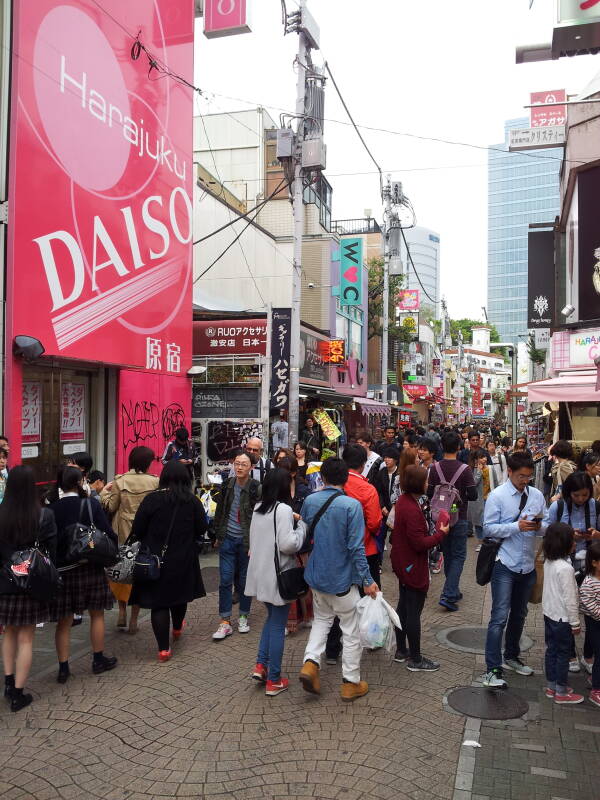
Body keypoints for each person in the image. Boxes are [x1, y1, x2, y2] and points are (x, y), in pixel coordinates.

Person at [298, 457, 379, 702]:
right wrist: (368, 579)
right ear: (345, 478)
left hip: (316, 575)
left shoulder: (310, 501)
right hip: (342, 580)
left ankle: (311, 663)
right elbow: (356, 548)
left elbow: (303, 533)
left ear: (322, 477)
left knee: (322, 621)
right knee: (351, 631)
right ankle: (350, 682)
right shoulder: (351, 506)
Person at [482, 451, 549, 688]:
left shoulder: (537, 495)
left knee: (519, 615)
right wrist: (516, 527)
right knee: (499, 617)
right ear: (509, 471)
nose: (525, 481)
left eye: (529, 476)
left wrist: (539, 526)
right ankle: (491, 669)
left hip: (527, 564)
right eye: (521, 476)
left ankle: (511, 656)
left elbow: (546, 525)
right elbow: (488, 529)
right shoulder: (497, 496)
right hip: (505, 563)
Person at [129, 461, 207, 662]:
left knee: (159, 604)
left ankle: (163, 649)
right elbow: (201, 528)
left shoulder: (151, 500)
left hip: (155, 560)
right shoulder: (192, 501)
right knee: (179, 597)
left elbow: (137, 529)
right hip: (183, 558)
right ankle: (178, 628)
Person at [49, 466, 118, 683]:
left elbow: (48, 541)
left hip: (63, 570)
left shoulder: (52, 509)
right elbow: (107, 533)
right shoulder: (90, 504)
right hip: (90, 567)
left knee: (64, 621)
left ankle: (63, 668)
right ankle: (98, 660)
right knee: (97, 614)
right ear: (80, 482)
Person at [245, 469, 306, 696]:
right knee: (278, 624)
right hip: (277, 575)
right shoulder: (284, 509)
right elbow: (288, 544)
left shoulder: (258, 508)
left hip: (260, 573)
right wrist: (301, 529)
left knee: (271, 620)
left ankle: (261, 665)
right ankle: (274, 679)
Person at [0, 466, 57, 712]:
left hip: (5, 582)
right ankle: (18, 695)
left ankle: (8, 682)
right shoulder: (43, 515)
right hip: (32, 583)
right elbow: (51, 553)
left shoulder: (1, 514)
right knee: (26, 639)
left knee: (8, 633)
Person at [324, 446, 383, 665]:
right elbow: (375, 522)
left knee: (338, 599)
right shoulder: (367, 489)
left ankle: (331, 650)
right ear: (363, 464)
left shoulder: (330, 487)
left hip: (337, 552)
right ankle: (372, 638)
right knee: (369, 597)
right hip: (365, 550)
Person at [391, 465, 449, 671]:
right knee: (413, 611)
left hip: (402, 563)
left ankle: (401, 650)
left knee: (404, 607)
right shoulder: (411, 508)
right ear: (418, 483)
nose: (428, 484)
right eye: (425, 481)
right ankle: (415, 658)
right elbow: (419, 543)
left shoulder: (405, 502)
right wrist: (441, 533)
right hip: (411, 566)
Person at [100, 446, 160, 634]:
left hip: (123, 533)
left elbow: (111, 506)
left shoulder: (121, 480)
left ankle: (122, 612)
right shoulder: (154, 482)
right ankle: (134, 619)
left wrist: (103, 492)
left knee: (122, 572)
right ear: (148, 462)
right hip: (146, 535)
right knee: (140, 573)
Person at [548, 471, 600, 674]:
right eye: (576, 495)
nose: (580, 499)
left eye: (584, 495)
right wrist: (569, 537)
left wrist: (596, 535)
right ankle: (570, 654)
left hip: (590, 566)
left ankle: (589, 655)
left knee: (592, 613)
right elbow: (548, 533)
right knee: (565, 611)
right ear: (568, 493)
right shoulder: (558, 506)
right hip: (564, 565)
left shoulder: (595, 506)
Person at [212, 450, 260, 640]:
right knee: (225, 581)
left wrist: (256, 543)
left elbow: (260, 516)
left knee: (244, 582)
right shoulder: (227, 485)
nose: (239, 467)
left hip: (247, 543)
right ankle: (224, 621)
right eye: (237, 463)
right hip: (228, 540)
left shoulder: (257, 488)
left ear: (251, 467)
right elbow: (220, 512)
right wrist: (218, 535)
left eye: (243, 464)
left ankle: (243, 616)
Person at [427, 431, 477, 612]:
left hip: (440, 517)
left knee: (448, 554)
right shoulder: (465, 469)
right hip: (459, 516)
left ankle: (453, 590)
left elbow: (429, 492)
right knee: (458, 556)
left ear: (441, 446)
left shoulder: (435, 468)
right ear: (458, 447)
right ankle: (448, 594)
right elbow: (473, 494)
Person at [542, 522, 584, 704]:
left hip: (549, 614)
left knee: (552, 650)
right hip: (562, 618)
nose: (575, 544)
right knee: (563, 653)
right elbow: (571, 598)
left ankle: (552, 686)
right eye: (572, 541)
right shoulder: (566, 569)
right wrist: (575, 623)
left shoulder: (549, 562)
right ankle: (561, 691)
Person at [579, 541, 600, 708]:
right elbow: (589, 605)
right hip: (594, 622)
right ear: (594, 562)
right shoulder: (588, 583)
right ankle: (596, 690)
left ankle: (595, 678)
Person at [468, 448, 489, 543]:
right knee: (478, 522)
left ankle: (487, 541)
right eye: (481, 457)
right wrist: (479, 472)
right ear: (476, 460)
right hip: (478, 500)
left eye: (485, 456)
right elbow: (473, 483)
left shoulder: (490, 468)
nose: (484, 459)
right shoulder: (472, 470)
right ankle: (481, 542)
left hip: (489, 498)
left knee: (486, 521)